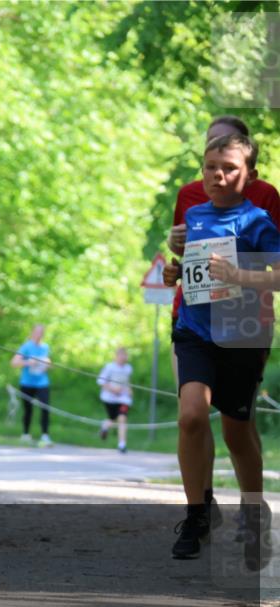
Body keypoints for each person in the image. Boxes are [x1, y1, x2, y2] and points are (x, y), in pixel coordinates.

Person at [162, 133, 278, 565]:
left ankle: (253, 515)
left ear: (249, 175)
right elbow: (194, 271)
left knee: (237, 430)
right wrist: (177, 272)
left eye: (229, 168)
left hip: (242, 334)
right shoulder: (192, 216)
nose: (219, 175)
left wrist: (239, 275)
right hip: (194, 330)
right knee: (191, 415)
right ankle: (197, 515)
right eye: (212, 166)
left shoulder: (257, 221)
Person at [10, 324, 52, 447]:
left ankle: (45, 435)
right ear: (33, 332)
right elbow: (14, 362)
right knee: (28, 409)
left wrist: (48, 363)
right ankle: (26, 433)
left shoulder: (45, 347)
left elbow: (47, 362)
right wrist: (28, 362)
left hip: (42, 382)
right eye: (37, 332)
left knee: (45, 408)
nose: (39, 335)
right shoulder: (26, 347)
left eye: (41, 332)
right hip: (27, 383)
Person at [97, 347, 133, 454]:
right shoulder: (109, 367)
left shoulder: (128, 368)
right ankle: (105, 426)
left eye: (125, 355)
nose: (123, 358)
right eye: (121, 355)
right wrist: (112, 389)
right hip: (110, 399)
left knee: (122, 418)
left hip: (123, 399)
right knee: (112, 419)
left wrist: (130, 390)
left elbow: (127, 381)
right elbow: (101, 381)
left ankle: (122, 444)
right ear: (116, 356)